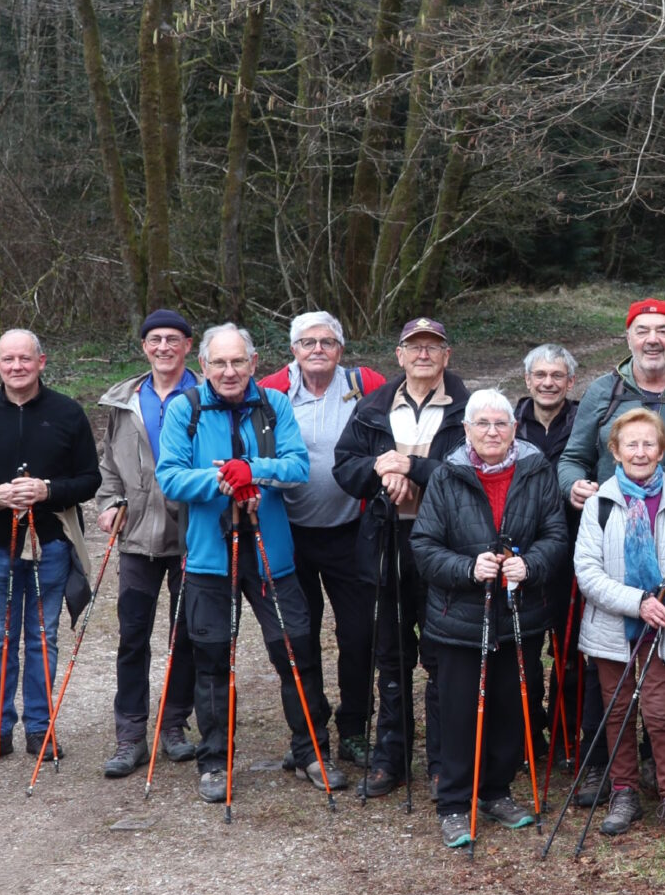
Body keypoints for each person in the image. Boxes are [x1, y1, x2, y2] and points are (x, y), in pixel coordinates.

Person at [154, 324, 346, 804]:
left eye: (238, 362)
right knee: (212, 660)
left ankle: (311, 752)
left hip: (271, 556)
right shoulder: (186, 409)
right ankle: (215, 761)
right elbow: (171, 478)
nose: (229, 371)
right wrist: (222, 480)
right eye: (219, 363)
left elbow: (298, 467)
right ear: (204, 367)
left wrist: (254, 471)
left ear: (254, 362)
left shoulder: (274, 405)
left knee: (296, 653)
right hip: (208, 558)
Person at [559, 299, 665, 763]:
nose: (652, 338)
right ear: (628, 337)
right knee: (609, 653)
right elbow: (572, 457)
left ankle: (660, 760)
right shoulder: (603, 391)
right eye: (642, 330)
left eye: (662, 330)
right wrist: (573, 484)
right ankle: (606, 767)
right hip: (614, 543)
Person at [409, 390, 568, 847]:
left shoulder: (537, 472)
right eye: (483, 424)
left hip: (520, 614)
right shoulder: (446, 475)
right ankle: (455, 803)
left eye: (501, 424)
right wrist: (467, 568)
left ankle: (496, 791)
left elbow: (556, 535)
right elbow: (424, 546)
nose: (492, 432)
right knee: (460, 711)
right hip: (460, 616)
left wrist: (531, 564)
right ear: (467, 430)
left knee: (511, 708)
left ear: (514, 429)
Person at [332, 317, 470, 799]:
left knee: (440, 656)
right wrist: (379, 469)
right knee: (389, 657)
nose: (424, 354)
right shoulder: (372, 406)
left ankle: (441, 762)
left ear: (447, 356)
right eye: (415, 347)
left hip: (443, 545)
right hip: (385, 539)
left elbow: (471, 472)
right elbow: (344, 467)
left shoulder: (469, 407)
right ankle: (391, 757)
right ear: (400, 355)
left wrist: (413, 467)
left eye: (434, 346)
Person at [0, 329, 101, 767]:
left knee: (42, 637)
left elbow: (90, 480)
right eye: (8, 359)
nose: (16, 366)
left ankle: (41, 729)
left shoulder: (67, 412)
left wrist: (48, 489)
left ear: (41, 361)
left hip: (51, 542)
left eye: (25, 358)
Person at [574, 408, 665, 845]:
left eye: (648, 443)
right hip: (614, 629)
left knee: (660, 713)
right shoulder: (599, 505)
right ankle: (624, 791)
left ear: (662, 449)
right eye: (630, 444)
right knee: (617, 711)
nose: (640, 451)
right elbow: (587, 573)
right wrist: (639, 603)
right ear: (614, 451)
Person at [260, 311, 389, 768]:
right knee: (299, 635)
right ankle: (312, 734)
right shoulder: (271, 389)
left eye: (328, 342)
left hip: (351, 532)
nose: (318, 349)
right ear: (292, 349)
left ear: (341, 349)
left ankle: (355, 726)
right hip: (289, 532)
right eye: (308, 342)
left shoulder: (365, 383)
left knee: (358, 635)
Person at [92, 309, 200, 776]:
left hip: (193, 535)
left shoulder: (206, 395)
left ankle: (174, 725)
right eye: (154, 339)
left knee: (188, 636)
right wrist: (110, 501)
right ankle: (130, 733)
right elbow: (109, 465)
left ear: (188, 346)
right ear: (143, 347)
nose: (163, 347)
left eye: (173, 339)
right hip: (136, 536)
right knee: (133, 638)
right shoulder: (123, 401)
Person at [516, 344, 581, 762]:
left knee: (570, 647)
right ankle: (527, 734)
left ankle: (564, 734)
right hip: (522, 549)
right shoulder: (508, 422)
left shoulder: (585, 421)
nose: (548, 383)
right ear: (528, 381)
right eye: (540, 375)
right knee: (523, 649)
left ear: (570, 382)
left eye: (557, 376)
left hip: (573, 549)